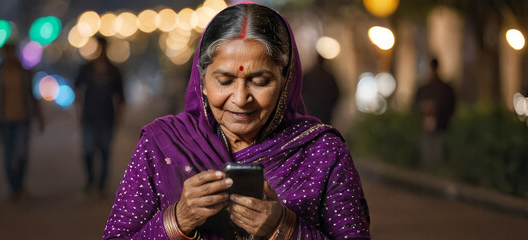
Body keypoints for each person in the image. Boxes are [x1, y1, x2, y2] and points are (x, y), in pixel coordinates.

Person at [104, 3, 370, 240]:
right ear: (203, 81)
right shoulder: (161, 143)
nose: (241, 99)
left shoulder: (322, 152)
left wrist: (285, 228)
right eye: (225, 81)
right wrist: (178, 221)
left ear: (285, 82)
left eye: (260, 81)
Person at [0, 43, 44, 200]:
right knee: (8, 156)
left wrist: (39, 116)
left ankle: (20, 185)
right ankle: (13, 188)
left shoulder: (24, 73)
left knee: (21, 154)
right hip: (5, 120)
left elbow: (31, 95)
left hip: (22, 119)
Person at [74, 37, 125, 195]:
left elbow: (121, 97)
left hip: (107, 117)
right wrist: (79, 112)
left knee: (105, 153)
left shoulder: (113, 70)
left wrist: (119, 118)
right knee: (87, 152)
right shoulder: (86, 69)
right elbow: (77, 90)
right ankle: (90, 181)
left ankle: (102, 186)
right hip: (89, 118)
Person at [415, 58, 456, 170]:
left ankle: (436, 170)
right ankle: (429, 170)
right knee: (427, 152)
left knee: (437, 152)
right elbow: (415, 104)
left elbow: (450, 105)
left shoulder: (444, 88)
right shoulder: (425, 88)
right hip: (426, 125)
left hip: (440, 126)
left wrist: (436, 109)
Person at [302, 54, 340, 124]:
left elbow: (300, 92)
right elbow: (337, 94)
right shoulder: (329, 77)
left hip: (310, 112)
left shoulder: (308, 75)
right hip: (325, 113)